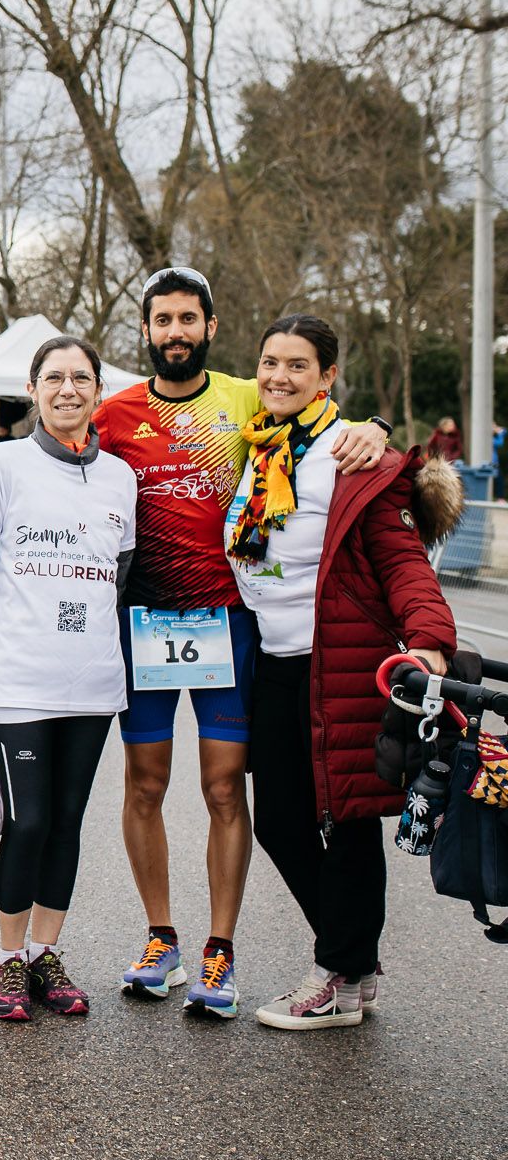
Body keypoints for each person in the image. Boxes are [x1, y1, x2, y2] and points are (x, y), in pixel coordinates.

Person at [93, 267, 386, 1015]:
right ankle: (163, 937)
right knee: (145, 786)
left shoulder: (249, 396)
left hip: (231, 621)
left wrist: (375, 428)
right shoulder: (115, 412)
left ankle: (221, 951)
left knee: (226, 787)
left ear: (211, 327)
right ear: (147, 328)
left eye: (188, 318)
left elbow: (323, 413)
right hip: (147, 622)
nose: (175, 332)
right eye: (163, 320)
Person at [227, 314, 458, 1030]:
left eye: (298, 366)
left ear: (328, 376)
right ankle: (353, 963)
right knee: (281, 823)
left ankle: (336, 972)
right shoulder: (257, 445)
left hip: (343, 664)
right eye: (270, 362)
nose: (279, 377)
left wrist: (430, 641)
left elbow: (402, 561)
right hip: (274, 662)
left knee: (347, 822)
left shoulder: (355, 458)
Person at [0, 335, 136, 1022]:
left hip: (90, 685)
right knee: (26, 825)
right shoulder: (0, 465)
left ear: (97, 389)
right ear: (33, 389)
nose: (67, 389)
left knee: (66, 823)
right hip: (18, 682)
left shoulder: (121, 477)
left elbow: (115, 583)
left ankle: (44, 956)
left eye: (80, 377)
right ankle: (5, 961)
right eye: (53, 377)